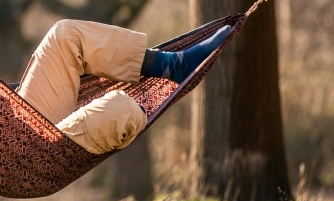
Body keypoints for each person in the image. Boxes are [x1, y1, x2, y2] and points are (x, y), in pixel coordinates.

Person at [16, 19, 232, 154]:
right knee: (123, 109)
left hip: (14, 116)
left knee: (64, 34)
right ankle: (150, 91)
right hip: (25, 152)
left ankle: (171, 65)